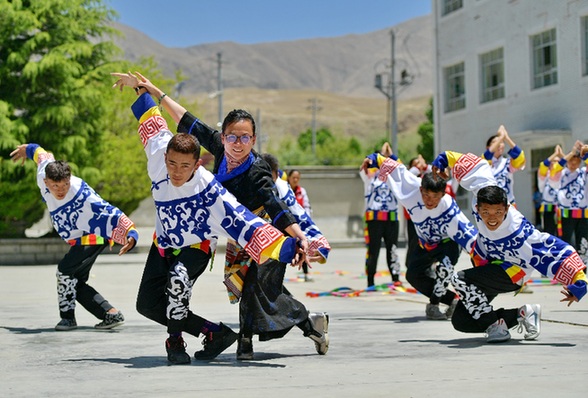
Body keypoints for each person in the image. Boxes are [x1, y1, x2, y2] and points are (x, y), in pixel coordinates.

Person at [114, 71, 329, 361]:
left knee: (255, 287)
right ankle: (303, 324)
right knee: (250, 289)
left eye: (244, 138)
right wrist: (150, 91)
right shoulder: (215, 149)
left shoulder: (254, 172)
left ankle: (243, 343)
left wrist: (296, 237)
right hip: (229, 229)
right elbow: (185, 121)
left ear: (253, 139)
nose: (237, 144)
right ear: (223, 136)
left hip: (260, 230)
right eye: (231, 137)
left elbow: (274, 204)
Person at [431, 150, 587, 343]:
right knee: (462, 321)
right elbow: (477, 166)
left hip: (514, 272)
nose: (492, 217)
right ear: (477, 209)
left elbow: (555, 249)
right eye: (486, 212)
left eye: (498, 212)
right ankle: (523, 314)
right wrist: (445, 158)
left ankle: (496, 328)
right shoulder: (483, 191)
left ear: (507, 208)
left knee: (459, 279)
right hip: (489, 268)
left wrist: (579, 282)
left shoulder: (519, 231)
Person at [10, 144, 137, 331]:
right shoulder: (42, 175)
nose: (61, 190)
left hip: (93, 235)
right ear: (46, 182)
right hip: (79, 237)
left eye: (65, 184)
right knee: (74, 281)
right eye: (55, 186)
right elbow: (40, 154)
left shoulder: (81, 194)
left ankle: (68, 319)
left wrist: (130, 233)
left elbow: (109, 211)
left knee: (64, 271)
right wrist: (27, 149)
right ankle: (110, 314)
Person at [362, 151, 477, 320]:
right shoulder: (412, 189)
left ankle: (434, 304)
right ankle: (453, 300)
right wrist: (374, 159)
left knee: (444, 269)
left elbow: (471, 237)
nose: (429, 201)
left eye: (435, 197)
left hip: (448, 243)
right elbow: (398, 170)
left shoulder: (449, 208)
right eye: (426, 195)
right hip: (426, 243)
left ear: (443, 194)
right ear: (421, 189)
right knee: (412, 275)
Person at [262, 153, 331, 268]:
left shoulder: (282, 189)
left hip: (273, 242)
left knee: (264, 284)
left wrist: (318, 242)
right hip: (246, 242)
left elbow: (299, 215)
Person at [359, 142, 401, 287]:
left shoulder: (393, 176)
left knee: (393, 249)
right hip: (374, 219)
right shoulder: (370, 177)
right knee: (373, 250)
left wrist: (391, 155)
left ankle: (395, 278)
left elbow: (401, 167)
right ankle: (370, 280)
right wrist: (374, 158)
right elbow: (364, 165)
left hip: (391, 218)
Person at [551, 141, 588, 264]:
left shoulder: (584, 173)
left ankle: (582, 271)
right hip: (566, 213)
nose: (573, 163)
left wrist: (583, 150)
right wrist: (572, 152)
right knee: (565, 242)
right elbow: (555, 169)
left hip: (582, 213)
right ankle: (566, 268)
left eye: (576, 160)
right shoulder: (560, 173)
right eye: (571, 159)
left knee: (583, 242)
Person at [483, 125, 526, 207]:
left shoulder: (507, 163)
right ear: (488, 147)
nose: (499, 144)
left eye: (502, 142)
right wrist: (501, 137)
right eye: (495, 142)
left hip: (508, 205)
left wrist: (506, 137)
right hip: (490, 206)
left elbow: (520, 156)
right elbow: (487, 155)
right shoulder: (484, 163)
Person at [287, 168, 314, 280]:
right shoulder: (284, 190)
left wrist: (307, 221)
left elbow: (307, 206)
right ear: (288, 178)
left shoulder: (301, 191)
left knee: (303, 246)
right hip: (287, 224)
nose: (295, 179)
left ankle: (305, 272)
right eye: (293, 177)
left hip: (299, 224)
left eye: (297, 178)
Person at [536, 146, 561, 235]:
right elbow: (543, 165)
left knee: (563, 233)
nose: (556, 164)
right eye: (553, 162)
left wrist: (562, 155)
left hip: (562, 208)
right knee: (549, 233)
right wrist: (555, 154)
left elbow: (570, 163)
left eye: (558, 162)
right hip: (548, 208)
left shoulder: (565, 174)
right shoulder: (544, 176)